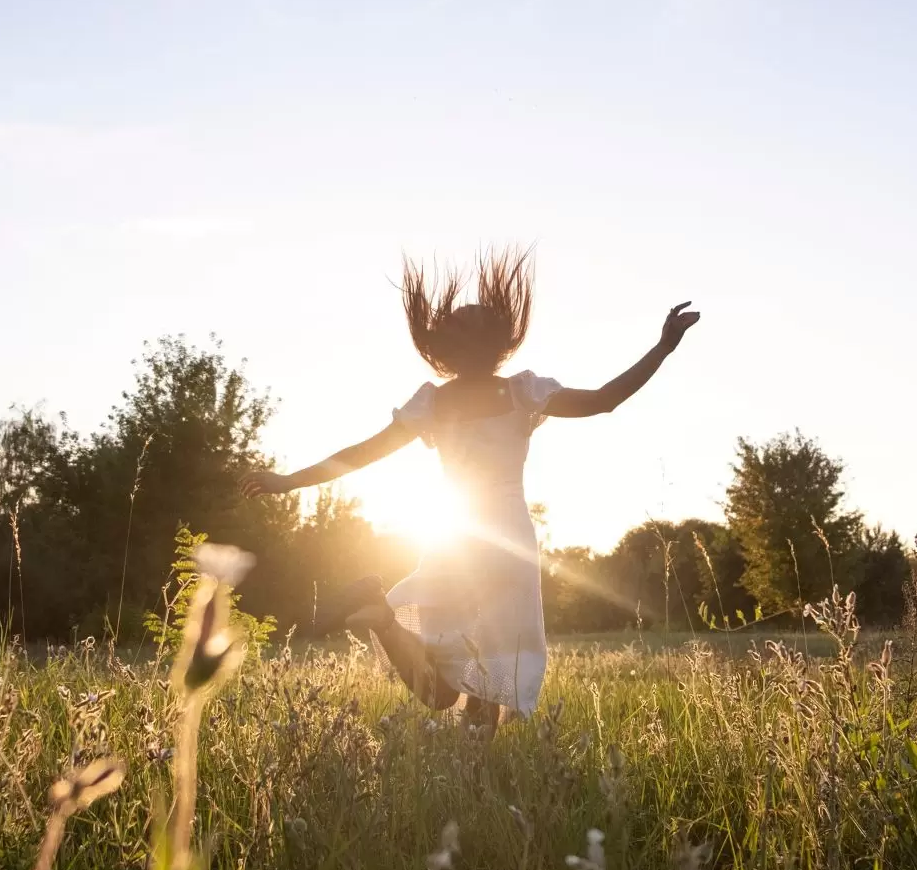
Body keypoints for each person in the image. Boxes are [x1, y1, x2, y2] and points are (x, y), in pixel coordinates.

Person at [240, 246, 700, 727]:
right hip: (507, 541)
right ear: (501, 344)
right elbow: (605, 400)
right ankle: (400, 645)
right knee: (488, 675)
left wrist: (288, 481)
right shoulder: (522, 392)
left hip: (453, 541)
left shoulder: (433, 403)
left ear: (445, 350)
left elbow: (362, 453)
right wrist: (663, 347)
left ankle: (382, 618)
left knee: (447, 686)